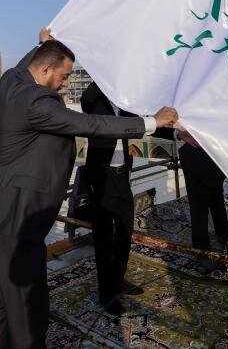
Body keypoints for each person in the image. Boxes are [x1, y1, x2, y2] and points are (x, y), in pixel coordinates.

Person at [0, 29, 177, 348]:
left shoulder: (12, 81)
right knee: (27, 307)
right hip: (14, 217)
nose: (66, 83)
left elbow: (29, 63)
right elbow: (91, 125)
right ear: (45, 71)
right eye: (64, 76)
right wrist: (152, 122)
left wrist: (42, 43)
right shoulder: (34, 101)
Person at [80, 81, 145, 315]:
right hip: (101, 175)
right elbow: (86, 100)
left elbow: (139, 122)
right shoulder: (93, 99)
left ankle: (118, 278)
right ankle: (106, 294)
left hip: (121, 174)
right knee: (104, 237)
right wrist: (102, 74)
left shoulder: (123, 102)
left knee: (126, 230)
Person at [154, 127, 228, 252]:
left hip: (208, 152)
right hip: (205, 152)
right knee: (203, 204)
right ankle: (205, 245)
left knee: (209, 200)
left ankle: (210, 241)